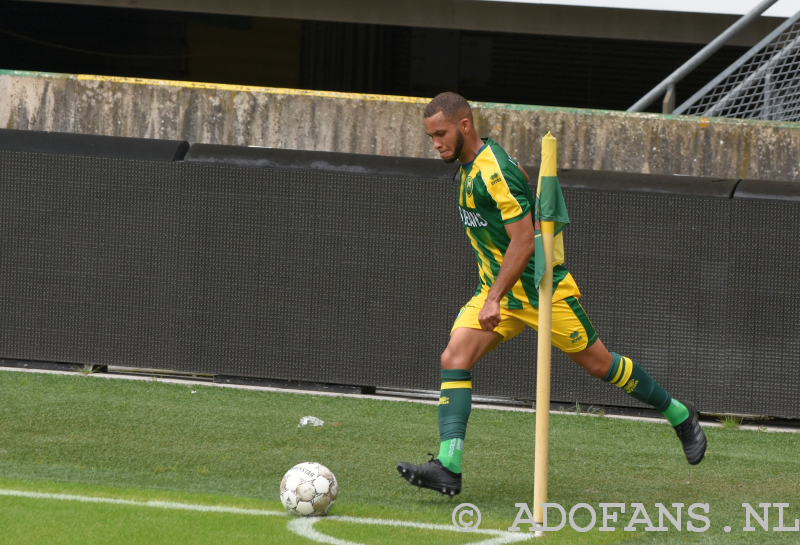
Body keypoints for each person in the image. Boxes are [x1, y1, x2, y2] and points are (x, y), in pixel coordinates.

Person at [396, 92, 707, 497]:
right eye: (431, 137)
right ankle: (448, 466)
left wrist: (494, 299)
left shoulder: (493, 172)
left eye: (441, 134)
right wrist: (493, 295)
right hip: (499, 292)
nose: (436, 143)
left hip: (542, 292)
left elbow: (525, 241)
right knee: (454, 356)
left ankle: (679, 414)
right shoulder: (471, 168)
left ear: (465, 126)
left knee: (600, 365)